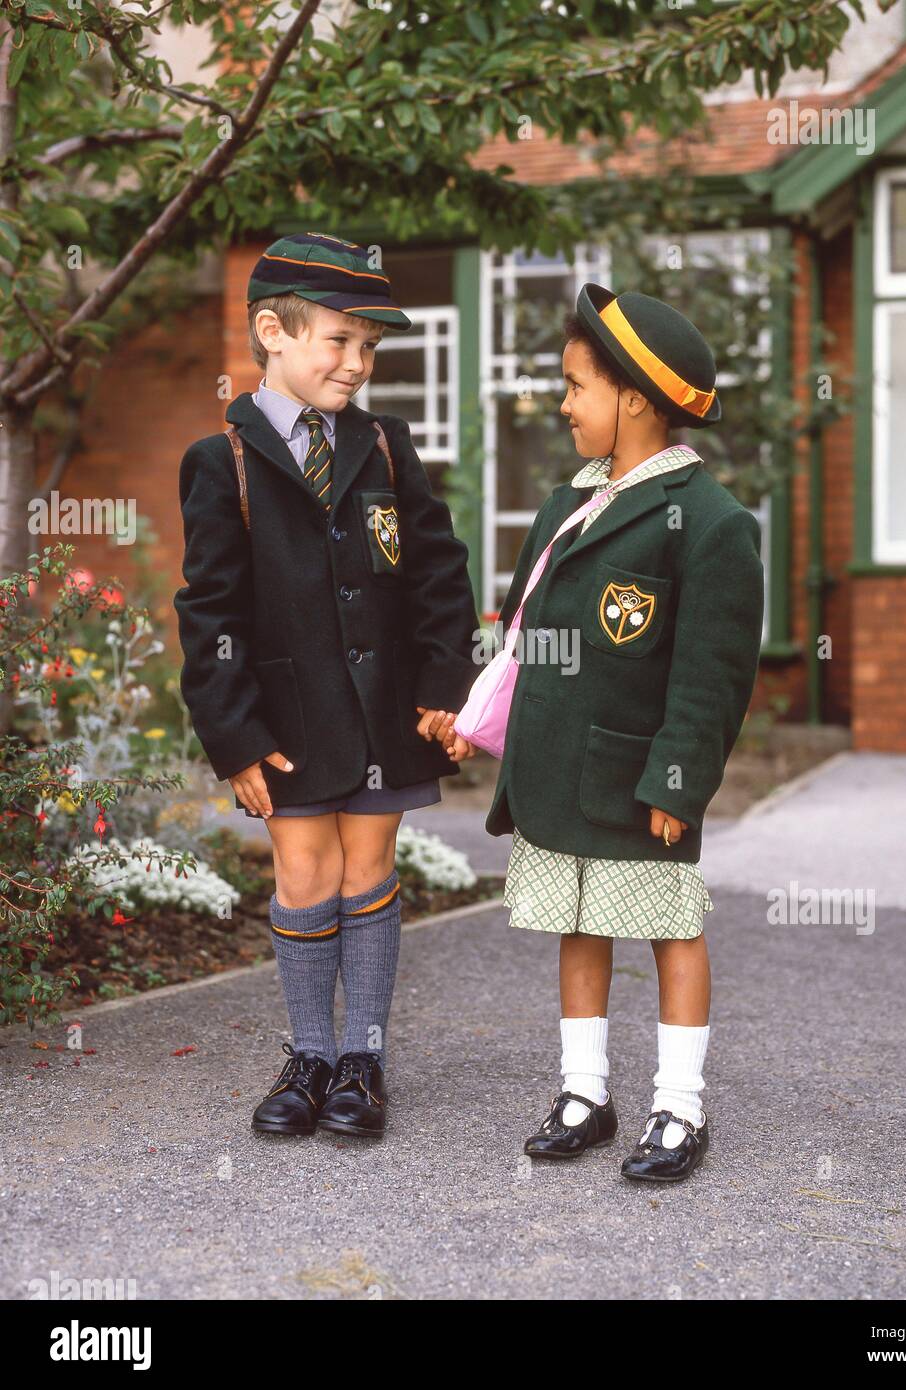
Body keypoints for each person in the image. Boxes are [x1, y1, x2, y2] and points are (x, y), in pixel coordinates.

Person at [453, 283, 764, 1183]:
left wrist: (678, 781)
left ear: (633, 398)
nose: (562, 403)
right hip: (559, 772)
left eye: (575, 386)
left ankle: (679, 1107)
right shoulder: (563, 508)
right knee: (576, 926)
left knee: (672, 931)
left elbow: (713, 676)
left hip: (637, 781)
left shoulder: (710, 523)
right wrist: (469, 713)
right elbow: (525, 636)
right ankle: (584, 1092)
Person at [174, 232, 478, 1140]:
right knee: (304, 874)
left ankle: (363, 1061)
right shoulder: (219, 460)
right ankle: (308, 1054)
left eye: (370, 348)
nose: (357, 363)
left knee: (370, 870)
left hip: (385, 714)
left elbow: (436, 570)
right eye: (338, 342)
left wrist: (444, 682)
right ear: (272, 331)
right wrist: (230, 732)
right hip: (287, 722)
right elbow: (209, 608)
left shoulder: (385, 446)